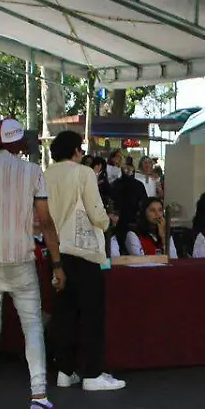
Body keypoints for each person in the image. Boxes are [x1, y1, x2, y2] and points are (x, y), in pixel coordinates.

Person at [0, 119, 67, 409]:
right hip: (21, 259)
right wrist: (57, 262)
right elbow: (45, 222)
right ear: (20, 144)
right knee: (32, 327)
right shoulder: (33, 172)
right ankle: (39, 396)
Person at [45, 131, 126, 393]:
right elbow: (95, 210)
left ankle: (64, 371)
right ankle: (92, 372)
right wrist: (106, 221)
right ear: (75, 151)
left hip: (57, 250)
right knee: (91, 314)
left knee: (64, 312)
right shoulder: (84, 173)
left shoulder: (46, 174)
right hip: (83, 250)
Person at [110, 162, 145, 234]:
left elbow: (143, 202)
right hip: (119, 218)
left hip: (132, 218)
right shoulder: (116, 183)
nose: (128, 170)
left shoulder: (138, 184)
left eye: (130, 168)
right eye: (126, 168)